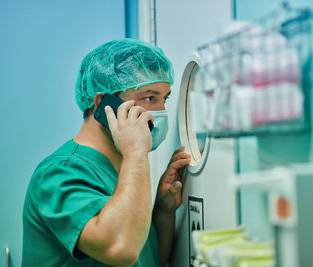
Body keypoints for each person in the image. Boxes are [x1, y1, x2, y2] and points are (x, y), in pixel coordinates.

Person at [22, 39, 191, 267]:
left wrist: (163, 211)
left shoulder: (119, 170)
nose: (159, 112)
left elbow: (144, 260)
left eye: (164, 99)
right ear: (104, 104)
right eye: (149, 98)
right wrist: (135, 151)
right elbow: (120, 248)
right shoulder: (59, 173)